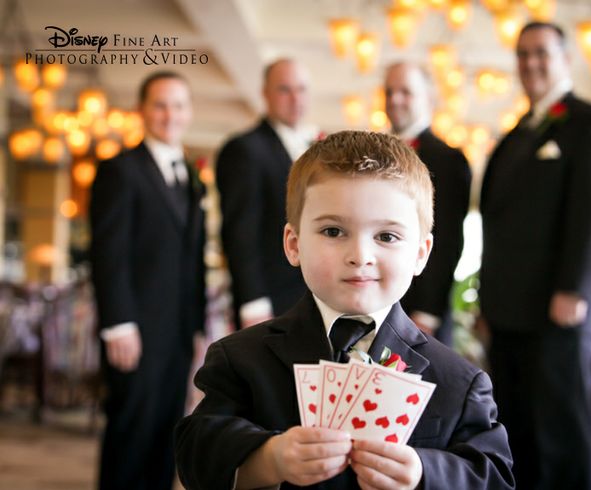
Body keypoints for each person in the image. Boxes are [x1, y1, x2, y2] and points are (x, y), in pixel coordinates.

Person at [175, 131, 515, 490]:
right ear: (294, 245)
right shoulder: (238, 358)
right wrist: (269, 457)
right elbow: (197, 451)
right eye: (334, 231)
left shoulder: (460, 383)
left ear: (420, 253)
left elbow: (493, 475)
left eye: (386, 236)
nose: (360, 256)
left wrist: (424, 472)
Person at [479, 22, 591, 490]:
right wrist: (487, 302)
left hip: (557, 312)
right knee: (516, 435)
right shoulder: (515, 134)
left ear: (565, 59)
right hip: (507, 315)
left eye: (541, 52)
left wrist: (572, 288)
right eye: (522, 55)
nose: (531, 63)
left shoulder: (588, 124)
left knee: (562, 436)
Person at [89, 71, 206, 490]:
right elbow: (107, 253)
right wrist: (117, 324)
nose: (169, 114)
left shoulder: (190, 176)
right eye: (160, 104)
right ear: (142, 110)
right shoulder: (120, 170)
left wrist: (196, 327)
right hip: (133, 329)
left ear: (189, 112)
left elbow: (192, 260)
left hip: (175, 333)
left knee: (166, 434)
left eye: (178, 105)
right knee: (130, 433)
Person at [217, 58, 317, 329]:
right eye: (285, 89)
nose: (295, 98)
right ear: (265, 94)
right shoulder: (244, 149)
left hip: (312, 298)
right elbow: (240, 231)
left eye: (302, 89)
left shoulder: (316, 150)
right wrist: (253, 302)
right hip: (269, 301)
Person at [384, 61, 471, 347]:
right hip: (377, 304)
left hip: (420, 313)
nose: (395, 100)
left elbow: (446, 240)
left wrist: (428, 312)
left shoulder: (448, 160)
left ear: (429, 99)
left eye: (406, 92)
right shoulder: (372, 155)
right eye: (389, 91)